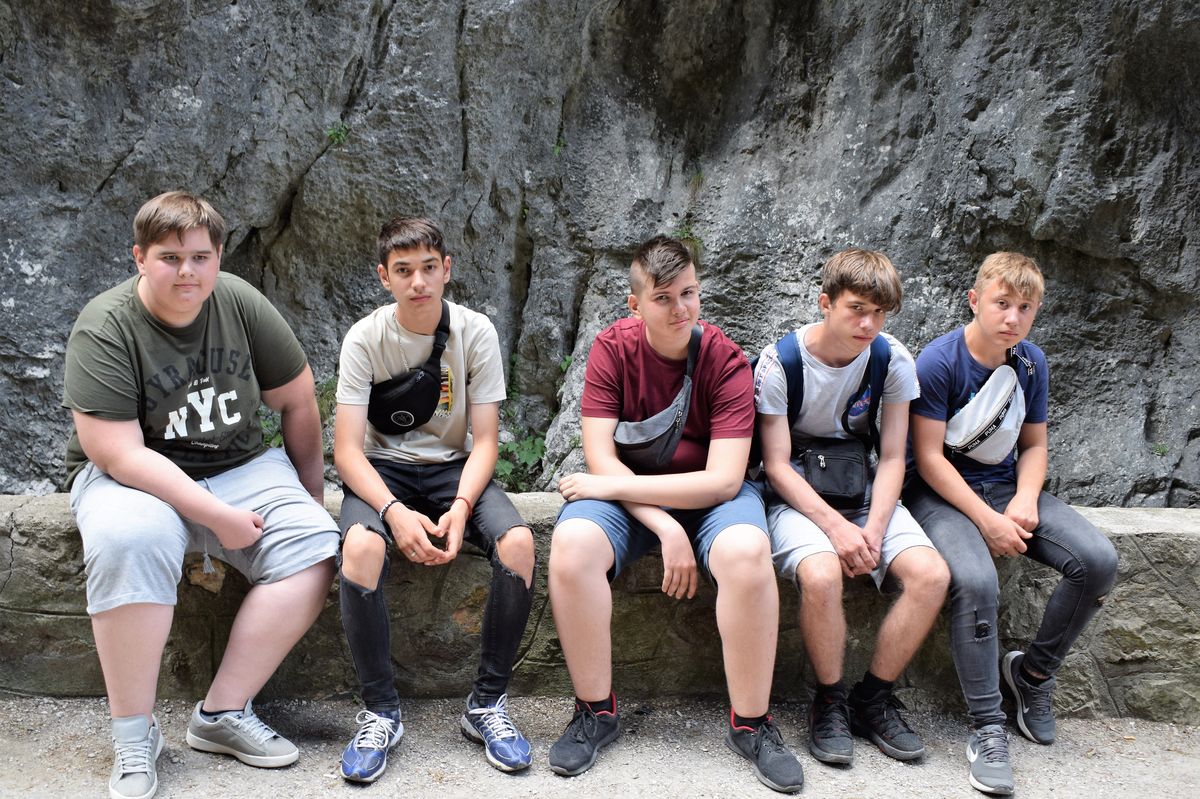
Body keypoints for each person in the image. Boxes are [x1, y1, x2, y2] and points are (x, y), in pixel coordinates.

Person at [62, 191, 340, 799]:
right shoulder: (105, 326)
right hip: (137, 478)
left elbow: (297, 400)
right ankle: (134, 735)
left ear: (217, 257)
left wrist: (310, 498)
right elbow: (118, 454)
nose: (186, 271)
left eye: (199, 257)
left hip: (242, 465)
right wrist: (216, 515)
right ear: (140, 258)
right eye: (169, 257)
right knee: (127, 541)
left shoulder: (239, 301)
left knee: (316, 546)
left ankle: (222, 713)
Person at [548, 235, 804, 793]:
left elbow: (724, 480)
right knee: (571, 546)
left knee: (747, 552)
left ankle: (752, 724)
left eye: (688, 293)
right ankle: (595, 711)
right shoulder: (612, 349)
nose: (680, 308)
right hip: (633, 498)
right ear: (635, 304)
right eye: (663, 298)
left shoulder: (725, 360)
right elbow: (601, 458)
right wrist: (664, 526)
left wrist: (643, 502)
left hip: (710, 499)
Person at [904, 252, 1118, 796]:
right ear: (975, 301)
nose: (1013, 318)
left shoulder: (1031, 363)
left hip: (1005, 488)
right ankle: (987, 727)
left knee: (1097, 562)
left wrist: (1023, 499)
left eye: (1025, 308)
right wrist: (987, 521)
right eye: (1002, 303)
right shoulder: (939, 362)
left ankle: (1032, 675)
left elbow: (1035, 445)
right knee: (977, 582)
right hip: (939, 495)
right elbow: (927, 459)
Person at [332, 217, 536, 783]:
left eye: (428, 268)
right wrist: (393, 513)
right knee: (361, 550)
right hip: (382, 472)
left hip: (454, 469)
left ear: (446, 269)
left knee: (519, 544)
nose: (417, 281)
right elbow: (346, 452)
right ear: (384, 277)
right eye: (403, 271)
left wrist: (463, 507)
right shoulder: (364, 338)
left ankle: (486, 705)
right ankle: (381, 712)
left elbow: (487, 441)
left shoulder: (475, 332)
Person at [754, 248, 949, 768]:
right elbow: (775, 465)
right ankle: (830, 701)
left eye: (879, 313)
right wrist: (837, 530)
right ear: (826, 303)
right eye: (856, 309)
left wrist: (875, 530)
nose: (868, 324)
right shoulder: (781, 363)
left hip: (863, 490)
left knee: (931, 576)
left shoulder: (892, 359)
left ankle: (873, 699)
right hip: (796, 495)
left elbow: (894, 456)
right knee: (821, 575)